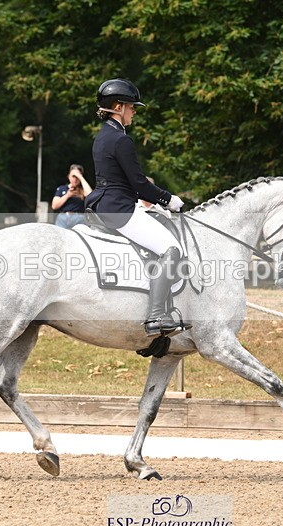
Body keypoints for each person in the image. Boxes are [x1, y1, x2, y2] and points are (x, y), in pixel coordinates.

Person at [85, 78, 188, 337]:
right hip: (120, 209)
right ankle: (156, 316)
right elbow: (140, 184)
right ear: (118, 107)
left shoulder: (102, 136)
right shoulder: (121, 140)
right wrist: (169, 200)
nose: (134, 112)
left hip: (104, 204)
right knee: (172, 249)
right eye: (132, 107)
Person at [52, 164, 92, 229]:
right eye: (73, 176)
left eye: (77, 177)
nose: (75, 179)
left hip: (79, 218)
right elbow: (54, 206)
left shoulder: (83, 190)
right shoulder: (62, 189)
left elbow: (90, 195)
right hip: (63, 217)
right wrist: (67, 195)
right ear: (68, 176)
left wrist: (81, 178)